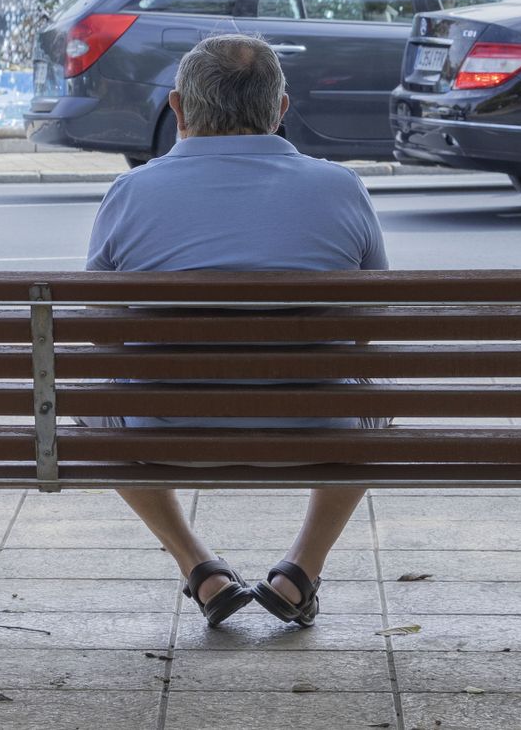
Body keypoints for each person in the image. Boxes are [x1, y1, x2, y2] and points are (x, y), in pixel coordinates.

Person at [84, 33, 388, 629]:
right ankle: (300, 573)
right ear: (280, 108)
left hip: (165, 434)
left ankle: (200, 570)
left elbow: (101, 335)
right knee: (371, 394)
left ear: (178, 108)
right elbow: (369, 327)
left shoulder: (131, 193)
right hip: (317, 430)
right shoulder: (340, 188)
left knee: (89, 404)